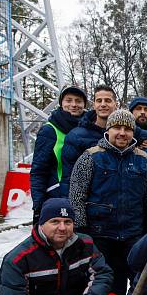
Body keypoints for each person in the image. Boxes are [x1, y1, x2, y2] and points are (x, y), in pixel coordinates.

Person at [68, 109, 147, 295]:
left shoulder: (143, 159)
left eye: (127, 129)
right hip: (100, 235)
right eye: (117, 127)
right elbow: (76, 195)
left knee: (139, 281)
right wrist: (81, 229)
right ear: (108, 130)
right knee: (108, 283)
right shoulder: (91, 156)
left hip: (133, 234)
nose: (122, 133)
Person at [30, 85, 88, 221]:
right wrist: (38, 206)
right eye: (69, 100)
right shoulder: (49, 131)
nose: (74, 104)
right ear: (61, 103)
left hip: (86, 199)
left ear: (84, 104)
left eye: (78, 101)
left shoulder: (90, 129)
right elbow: (38, 171)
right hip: (57, 199)